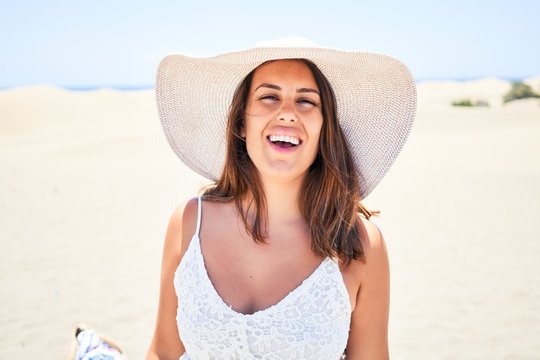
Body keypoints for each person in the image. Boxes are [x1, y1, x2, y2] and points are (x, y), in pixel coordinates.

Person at [147, 38, 416, 359]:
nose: (287, 113)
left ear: (323, 128)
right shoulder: (190, 222)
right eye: (269, 97)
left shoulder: (358, 244)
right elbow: (163, 353)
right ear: (241, 124)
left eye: (306, 102)